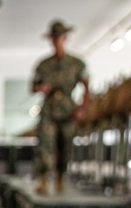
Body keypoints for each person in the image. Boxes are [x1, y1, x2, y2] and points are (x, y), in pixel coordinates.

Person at [32, 20, 90, 195]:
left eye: (60, 37)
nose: (57, 41)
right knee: (45, 144)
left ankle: (60, 178)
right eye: (54, 38)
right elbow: (33, 86)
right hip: (49, 108)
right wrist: (41, 88)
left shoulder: (76, 63)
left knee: (65, 145)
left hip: (67, 109)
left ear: (65, 38)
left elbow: (87, 87)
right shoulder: (43, 65)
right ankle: (43, 179)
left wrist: (82, 108)